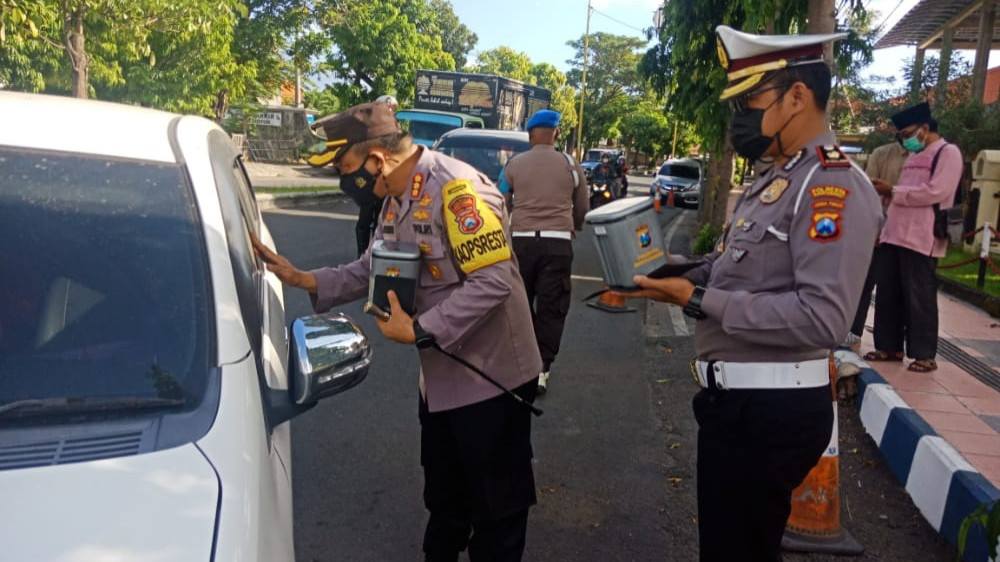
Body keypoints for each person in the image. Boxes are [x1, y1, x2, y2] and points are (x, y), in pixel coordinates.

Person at [619, 26, 882, 561]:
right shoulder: (777, 178)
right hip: (737, 406)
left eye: (751, 100)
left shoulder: (831, 184)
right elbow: (734, 265)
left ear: (797, 97)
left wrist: (694, 301)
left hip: (772, 411)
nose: (740, 116)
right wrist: (674, 270)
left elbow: (823, 319)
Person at [251, 102, 543, 561]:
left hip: (492, 378)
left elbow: (495, 281)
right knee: (446, 504)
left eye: (347, 170)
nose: (346, 183)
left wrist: (421, 329)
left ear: (376, 161)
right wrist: (305, 278)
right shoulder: (396, 198)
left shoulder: (458, 191)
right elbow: (371, 267)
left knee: (496, 517)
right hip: (441, 379)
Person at [865, 102, 962, 373]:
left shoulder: (947, 153)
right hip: (894, 234)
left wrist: (893, 191)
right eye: (901, 136)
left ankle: (923, 354)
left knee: (919, 296)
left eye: (907, 134)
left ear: (925, 128)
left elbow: (936, 192)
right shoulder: (913, 156)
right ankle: (889, 346)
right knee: (888, 293)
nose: (904, 140)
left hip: (922, 236)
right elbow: (902, 193)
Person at [497, 109, 589, 394]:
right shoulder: (571, 165)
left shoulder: (514, 165)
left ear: (530, 135)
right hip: (558, 245)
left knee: (520, 305)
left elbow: (501, 202)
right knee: (552, 306)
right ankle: (542, 371)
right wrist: (570, 226)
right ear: (556, 133)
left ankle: (517, 364)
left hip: (521, 243)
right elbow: (582, 207)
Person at [842, 138, 909, 350]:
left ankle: (892, 345)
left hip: (909, 233)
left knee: (895, 291)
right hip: (878, 229)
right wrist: (874, 226)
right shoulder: (882, 153)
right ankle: (853, 330)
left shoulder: (929, 157)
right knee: (862, 282)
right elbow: (870, 191)